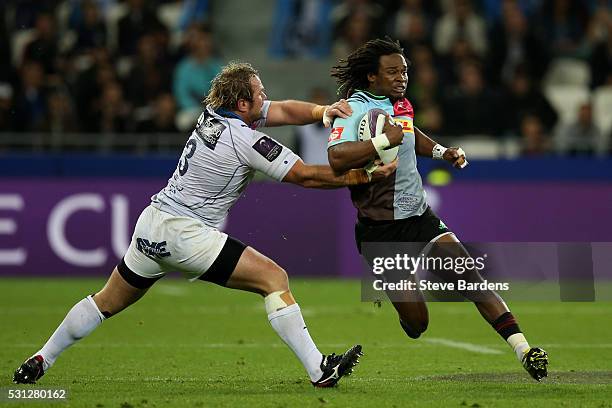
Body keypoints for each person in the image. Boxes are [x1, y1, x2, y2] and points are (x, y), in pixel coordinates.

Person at [14, 62, 399, 388]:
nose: (266, 99)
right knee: (273, 278)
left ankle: (41, 358)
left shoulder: (214, 114)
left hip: (152, 224)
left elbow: (281, 110)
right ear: (243, 103)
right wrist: (362, 177)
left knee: (105, 302)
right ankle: (319, 369)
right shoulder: (245, 139)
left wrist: (322, 112)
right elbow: (306, 176)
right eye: (259, 93)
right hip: (187, 233)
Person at [326, 38, 549, 381]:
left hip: (420, 217)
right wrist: (383, 142)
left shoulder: (400, 105)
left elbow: (409, 132)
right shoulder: (352, 108)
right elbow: (336, 159)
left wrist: (442, 151)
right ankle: (402, 298)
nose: (401, 77)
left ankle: (524, 349)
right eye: (392, 71)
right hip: (380, 230)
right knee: (418, 324)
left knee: (470, 277)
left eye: (404, 70)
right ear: (371, 77)